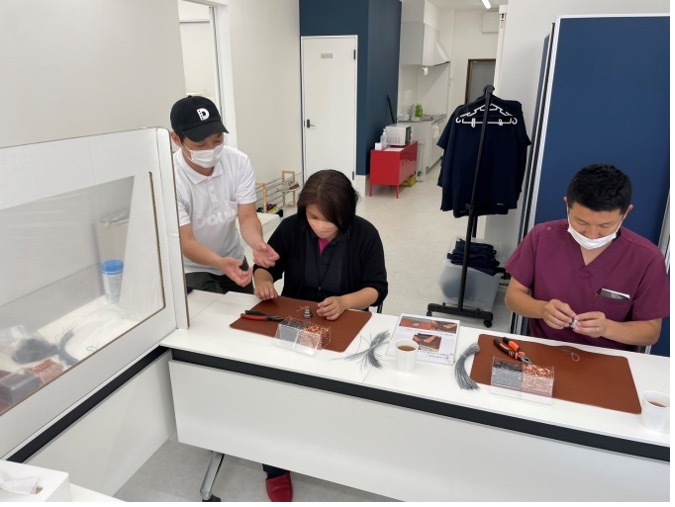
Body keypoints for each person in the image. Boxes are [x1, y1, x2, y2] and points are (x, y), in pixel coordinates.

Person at [252, 169, 388, 501]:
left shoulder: (365, 234)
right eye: (313, 217)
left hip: (346, 323)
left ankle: (334, 450)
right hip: (295, 323)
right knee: (279, 391)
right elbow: (266, 267)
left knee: (340, 395)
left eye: (330, 219)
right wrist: (262, 280)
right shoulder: (292, 228)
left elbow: (377, 289)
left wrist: (345, 302)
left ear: (346, 214)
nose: (320, 225)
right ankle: (276, 467)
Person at [504, 164, 669, 351]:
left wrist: (607, 328)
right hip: (544, 350)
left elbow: (651, 332)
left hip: (608, 359)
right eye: (581, 222)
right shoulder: (542, 236)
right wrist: (542, 309)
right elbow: (513, 297)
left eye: (604, 226)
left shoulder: (647, 258)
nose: (591, 235)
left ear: (626, 213)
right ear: (567, 205)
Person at [169, 95, 279, 294]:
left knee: (245, 309)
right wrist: (219, 262)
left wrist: (257, 243)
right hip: (192, 267)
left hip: (233, 256)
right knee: (211, 312)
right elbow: (186, 241)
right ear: (176, 139)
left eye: (217, 139)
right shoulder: (170, 177)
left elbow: (247, 216)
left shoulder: (238, 162)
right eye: (200, 145)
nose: (211, 149)